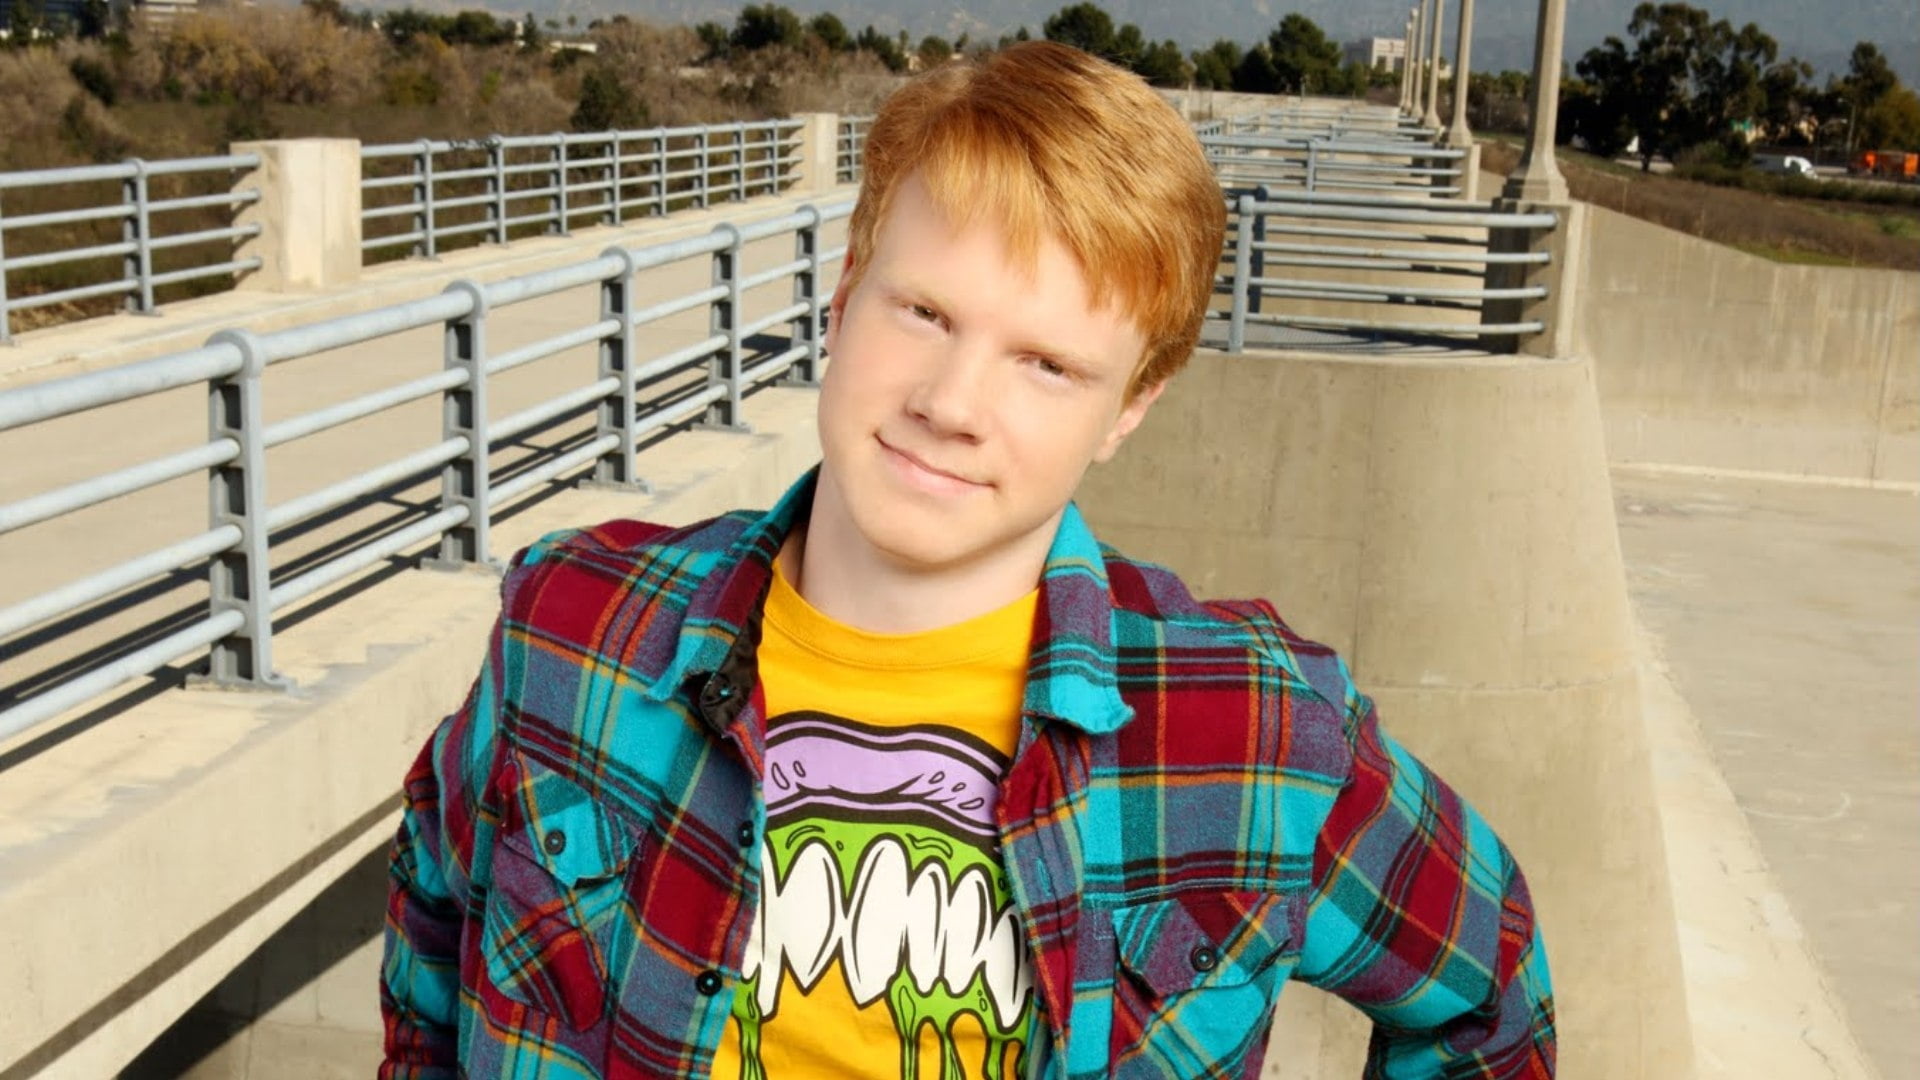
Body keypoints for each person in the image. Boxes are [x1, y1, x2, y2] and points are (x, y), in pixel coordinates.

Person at [380, 40, 1555, 1080]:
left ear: (1130, 407)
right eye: (924, 314)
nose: (951, 404)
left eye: (1047, 364)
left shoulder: (1256, 735)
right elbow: (435, 904)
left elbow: (1488, 992)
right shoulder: (568, 628)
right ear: (843, 300)